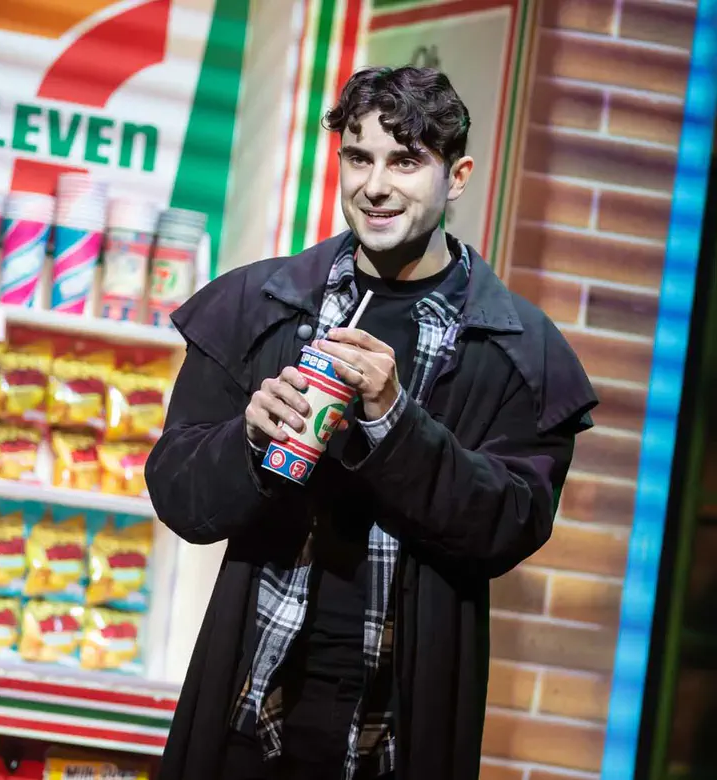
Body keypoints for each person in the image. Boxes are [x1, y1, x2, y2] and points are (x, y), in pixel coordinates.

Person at [145, 66, 599, 780]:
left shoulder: (516, 351)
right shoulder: (261, 306)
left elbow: (508, 525)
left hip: (399, 727)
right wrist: (248, 439)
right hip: (248, 700)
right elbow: (177, 491)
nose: (376, 185)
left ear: (457, 177)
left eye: (406, 161)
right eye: (359, 157)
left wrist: (394, 421)